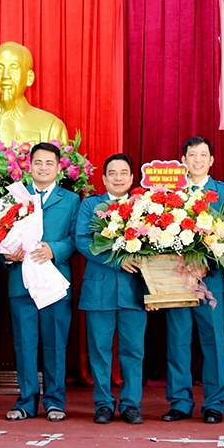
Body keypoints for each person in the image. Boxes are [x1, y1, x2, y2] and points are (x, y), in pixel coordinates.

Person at [3, 142, 80, 421]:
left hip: (54, 283)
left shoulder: (71, 200)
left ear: (59, 168)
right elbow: (0, 237)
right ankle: (25, 402)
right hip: (21, 283)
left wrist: (55, 250)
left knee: (55, 344)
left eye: (49, 163)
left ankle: (55, 401)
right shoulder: (15, 199)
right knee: (24, 345)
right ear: (29, 166)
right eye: (38, 163)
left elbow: (76, 238)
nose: (43, 168)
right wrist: (8, 255)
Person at [163, 136, 224, 424]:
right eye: (192, 155)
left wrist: (207, 262)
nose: (198, 160)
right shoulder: (170, 194)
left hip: (211, 278)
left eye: (203, 155)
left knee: (213, 340)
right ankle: (180, 401)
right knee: (177, 340)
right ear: (184, 160)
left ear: (212, 160)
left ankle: (215, 403)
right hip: (177, 278)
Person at [76, 153, 146, 425]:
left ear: (131, 178)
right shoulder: (91, 205)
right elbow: (82, 240)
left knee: (133, 352)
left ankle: (131, 404)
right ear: (103, 178)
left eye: (123, 173)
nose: (118, 177)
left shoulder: (145, 207)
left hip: (135, 291)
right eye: (112, 173)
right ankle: (103, 404)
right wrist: (119, 260)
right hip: (99, 292)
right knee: (100, 351)